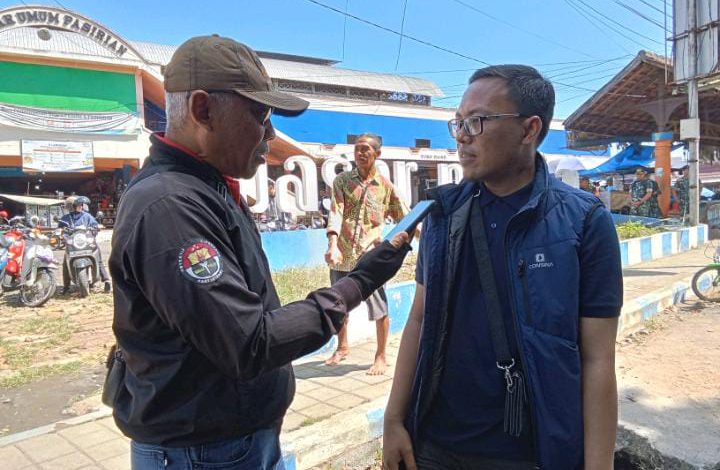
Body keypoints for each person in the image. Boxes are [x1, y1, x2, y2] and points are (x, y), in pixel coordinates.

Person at [107, 35, 410, 470]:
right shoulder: (170, 208)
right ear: (202, 110)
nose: (270, 135)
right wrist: (358, 282)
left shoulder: (208, 187)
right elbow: (249, 342)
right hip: (204, 455)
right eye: (260, 116)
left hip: (232, 442)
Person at [382, 65, 622, 470]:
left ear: (529, 130)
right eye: (458, 122)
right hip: (436, 445)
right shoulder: (443, 213)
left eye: (477, 122)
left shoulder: (582, 221)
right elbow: (420, 320)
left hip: (532, 452)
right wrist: (393, 419)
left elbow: (597, 359)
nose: (461, 135)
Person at [324, 133, 409, 375]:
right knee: (338, 304)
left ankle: (381, 356)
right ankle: (342, 347)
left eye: (365, 150)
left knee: (379, 308)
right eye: (357, 149)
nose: (360, 153)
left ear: (377, 154)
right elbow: (336, 213)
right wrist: (332, 244)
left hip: (371, 259)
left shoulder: (384, 186)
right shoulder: (341, 181)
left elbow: (405, 217)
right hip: (342, 255)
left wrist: (412, 241)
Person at [59, 196, 111, 293]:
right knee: (65, 263)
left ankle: (106, 280)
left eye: (81, 205)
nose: (81, 207)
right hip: (72, 244)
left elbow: (95, 225)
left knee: (98, 259)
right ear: (72, 206)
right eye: (78, 205)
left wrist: (95, 230)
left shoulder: (87, 216)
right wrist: (62, 236)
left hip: (86, 242)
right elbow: (60, 229)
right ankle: (66, 286)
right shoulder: (65, 218)